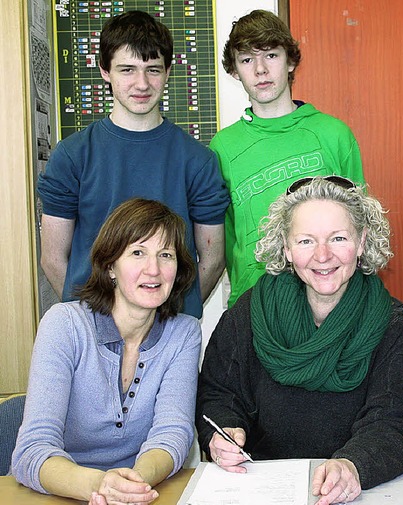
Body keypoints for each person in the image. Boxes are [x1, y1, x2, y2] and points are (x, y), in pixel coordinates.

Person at [196, 177, 403, 504]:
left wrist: (353, 465)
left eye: (338, 238)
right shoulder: (250, 312)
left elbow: (396, 418)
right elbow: (219, 392)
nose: (323, 255)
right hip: (260, 485)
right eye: (306, 241)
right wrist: (223, 432)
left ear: (361, 242)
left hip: (354, 489)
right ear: (287, 248)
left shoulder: (391, 322)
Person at [37, 10, 229, 319]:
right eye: (127, 69)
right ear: (105, 71)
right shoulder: (72, 156)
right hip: (91, 326)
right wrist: (94, 319)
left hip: (170, 332)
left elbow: (212, 259)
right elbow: (53, 259)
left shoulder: (199, 161)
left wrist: (170, 314)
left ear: (167, 71)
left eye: (152, 69)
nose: (141, 83)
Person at [12, 198, 202, 505]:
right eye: (137, 252)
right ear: (110, 265)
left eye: (165, 255)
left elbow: (173, 432)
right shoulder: (65, 325)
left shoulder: (183, 333)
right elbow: (33, 449)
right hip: (62, 492)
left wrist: (134, 484)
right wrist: (103, 485)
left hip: (141, 493)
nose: (153, 269)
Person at [212, 10, 365, 307]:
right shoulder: (223, 148)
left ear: (290, 60)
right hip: (254, 304)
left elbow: (359, 228)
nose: (260, 70)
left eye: (270, 55)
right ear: (234, 72)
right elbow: (226, 240)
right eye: (246, 60)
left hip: (328, 302)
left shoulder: (333, 135)